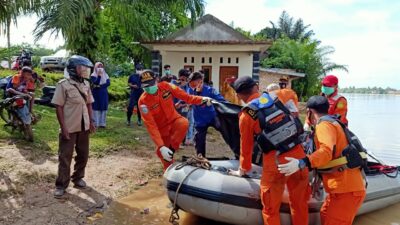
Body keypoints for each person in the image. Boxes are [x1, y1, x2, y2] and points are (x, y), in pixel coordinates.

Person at [229, 76, 309, 225]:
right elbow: (290, 94)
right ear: (257, 87)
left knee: (270, 210)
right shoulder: (275, 97)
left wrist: (244, 169)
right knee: (300, 205)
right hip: (299, 158)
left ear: (239, 95)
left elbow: (245, 146)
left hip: (275, 164)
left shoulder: (246, 115)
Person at [278, 95, 366, 225]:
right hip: (339, 189)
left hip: (346, 190)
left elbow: (325, 152)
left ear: (310, 112)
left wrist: (303, 162)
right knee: (324, 213)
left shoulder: (324, 125)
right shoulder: (333, 122)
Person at [138, 70, 212, 170]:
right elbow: (151, 126)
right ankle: (167, 167)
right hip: (161, 130)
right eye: (145, 86)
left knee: (184, 123)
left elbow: (186, 97)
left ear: (157, 80)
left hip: (174, 121)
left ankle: (172, 149)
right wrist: (161, 146)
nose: (149, 88)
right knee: (165, 157)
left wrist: (201, 100)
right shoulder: (143, 102)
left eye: (151, 84)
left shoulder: (166, 86)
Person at [51, 55, 96, 198]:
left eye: (85, 68)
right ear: (73, 69)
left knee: (83, 154)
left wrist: (91, 121)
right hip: (69, 127)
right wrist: (63, 128)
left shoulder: (86, 85)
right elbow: (58, 107)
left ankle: (77, 178)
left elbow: (88, 104)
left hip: (84, 126)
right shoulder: (63, 85)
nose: (84, 71)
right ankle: (61, 185)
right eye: (81, 68)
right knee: (65, 157)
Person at [187, 71, 226, 157]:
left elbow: (222, 101)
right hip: (199, 120)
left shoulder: (210, 90)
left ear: (200, 81)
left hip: (212, 117)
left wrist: (212, 101)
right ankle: (201, 158)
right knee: (199, 141)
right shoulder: (190, 90)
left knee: (226, 131)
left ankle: (237, 153)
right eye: (190, 85)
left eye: (193, 84)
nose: (192, 87)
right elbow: (186, 99)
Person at [174, 69, 194, 145]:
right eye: (185, 79)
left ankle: (184, 140)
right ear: (181, 77)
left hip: (186, 109)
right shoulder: (175, 86)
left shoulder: (186, 86)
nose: (187, 81)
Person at [90, 62, 110, 128]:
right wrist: (99, 76)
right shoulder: (93, 75)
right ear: (95, 67)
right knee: (96, 107)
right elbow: (95, 82)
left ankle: (102, 123)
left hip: (103, 93)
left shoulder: (106, 75)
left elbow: (108, 83)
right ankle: (96, 123)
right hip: (96, 93)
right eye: (98, 67)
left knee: (103, 107)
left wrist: (99, 86)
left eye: (101, 67)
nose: (100, 68)